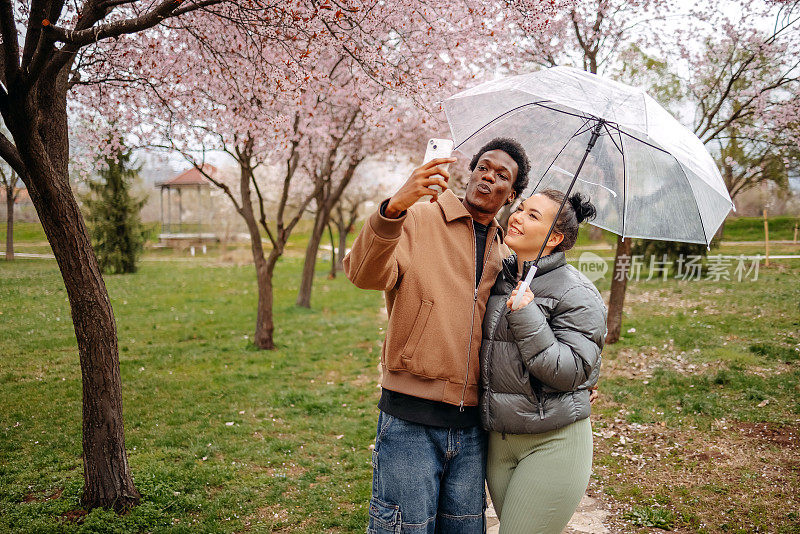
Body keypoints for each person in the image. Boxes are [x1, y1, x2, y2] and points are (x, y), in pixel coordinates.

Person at [343, 138, 531, 533]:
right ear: (470, 171)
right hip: (409, 419)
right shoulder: (418, 218)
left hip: (473, 428)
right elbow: (363, 274)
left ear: (511, 194)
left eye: (501, 176)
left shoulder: (506, 253)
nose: (488, 177)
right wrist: (393, 208)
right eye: (483, 166)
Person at [479, 190, 606, 534]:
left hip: (553, 442)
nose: (517, 216)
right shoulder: (498, 278)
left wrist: (527, 315)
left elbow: (572, 372)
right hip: (499, 444)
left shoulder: (576, 291)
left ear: (556, 238)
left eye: (533, 216)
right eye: (520, 208)